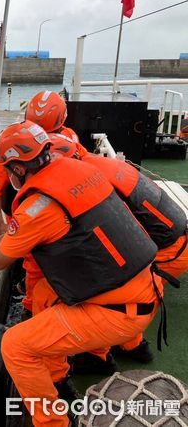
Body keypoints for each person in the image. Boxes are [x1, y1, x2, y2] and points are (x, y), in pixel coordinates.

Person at [0, 121, 163, 427]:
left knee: (16, 345)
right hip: (143, 286)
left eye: (8, 168)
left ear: (19, 168)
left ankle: (52, 422)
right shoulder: (80, 172)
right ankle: (59, 381)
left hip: (117, 312)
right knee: (44, 297)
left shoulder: (39, 206)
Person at [48, 133, 188, 365]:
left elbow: (118, 235)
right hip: (175, 240)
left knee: (106, 291)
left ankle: (98, 358)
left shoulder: (94, 182)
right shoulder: (104, 165)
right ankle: (133, 347)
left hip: (170, 251)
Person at [0, 90, 87, 237]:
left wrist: (0, 226)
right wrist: (0, 225)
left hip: (51, 216)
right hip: (48, 216)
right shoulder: (71, 140)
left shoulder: (69, 138)